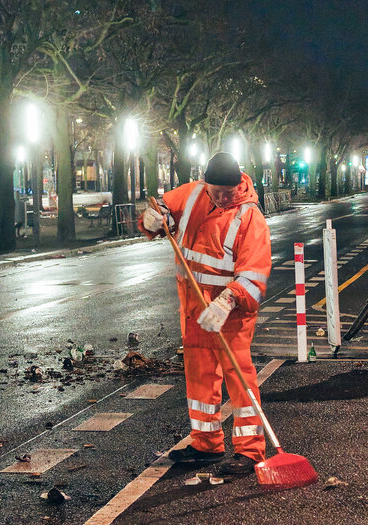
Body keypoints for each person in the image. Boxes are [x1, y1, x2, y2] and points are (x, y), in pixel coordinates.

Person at [138, 152, 272, 474]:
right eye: (216, 191)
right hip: (195, 309)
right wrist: (152, 220)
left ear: (239, 183)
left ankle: (250, 451)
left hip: (231, 315)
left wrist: (227, 302)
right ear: (205, 183)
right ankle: (206, 444)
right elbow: (163, 212)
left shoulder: (249, 217)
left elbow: (254, 275)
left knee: (240, 380)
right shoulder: (195, 192)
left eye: (228, 191)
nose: (223, 197)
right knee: (199, 379)